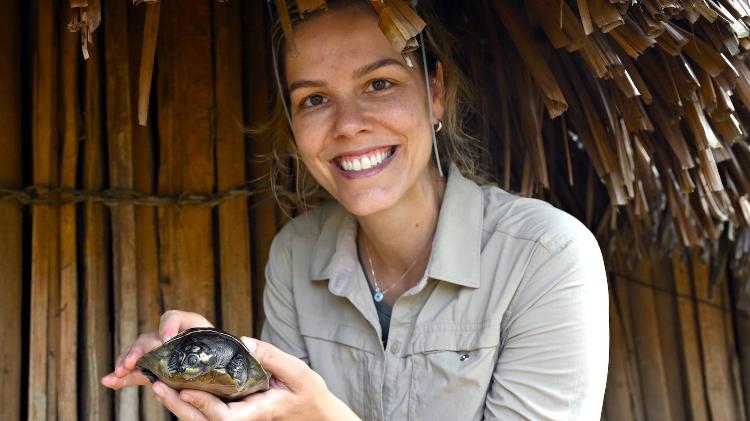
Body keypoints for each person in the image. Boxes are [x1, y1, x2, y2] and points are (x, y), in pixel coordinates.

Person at [101, 1, 609, 420]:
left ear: (435, 92)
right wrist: (206, 364)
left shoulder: (545, 257)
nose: (347, 125)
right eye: (315, 99)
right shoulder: (297, 256)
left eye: (379, 84)